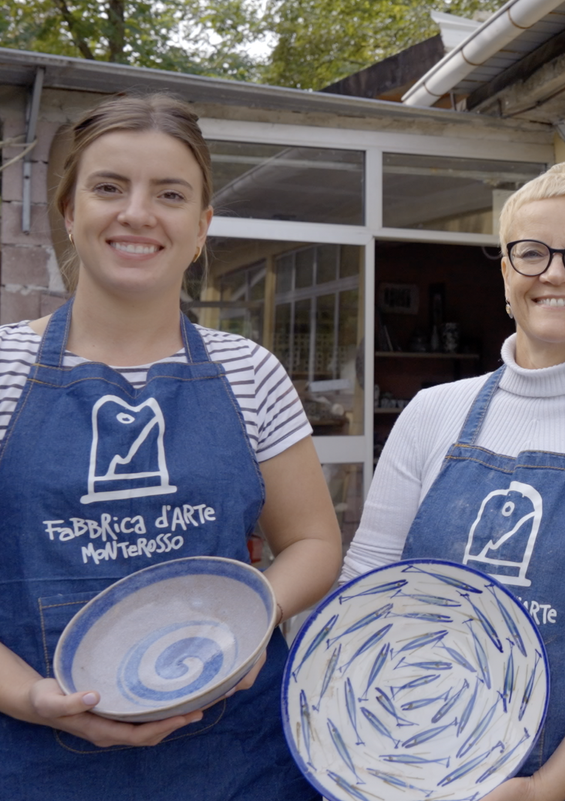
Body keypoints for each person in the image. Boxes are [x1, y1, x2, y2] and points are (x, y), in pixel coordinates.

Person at [0, 94, 343, 799]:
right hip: (40, 760)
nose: (137, 212)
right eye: (108, 186)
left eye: (170, 194)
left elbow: (313, 542)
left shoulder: (251, 371)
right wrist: (30, 696)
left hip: (236, 759)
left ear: (201, 226)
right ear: (69, 212)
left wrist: (256, 618)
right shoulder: (1, 370)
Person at [342, 162, 565, 801]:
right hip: (419, 770)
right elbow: (362, 597)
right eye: (531, 253)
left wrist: (545, 788)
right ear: (507, 275)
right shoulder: (434, 413)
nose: (555, 272)